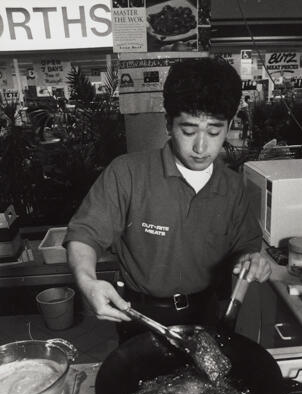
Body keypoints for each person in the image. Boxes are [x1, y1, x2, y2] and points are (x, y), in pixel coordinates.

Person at [65, 57, 271, 341]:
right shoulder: (127, 173)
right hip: (140, 315)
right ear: (168, 124)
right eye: (188, 131)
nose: (201, 146)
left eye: (214, 131)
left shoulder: (232, 187)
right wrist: (87, 281)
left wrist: (253, 261)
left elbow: (246, 248)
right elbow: (84, 235)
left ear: (230, 125)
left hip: (205, 314)